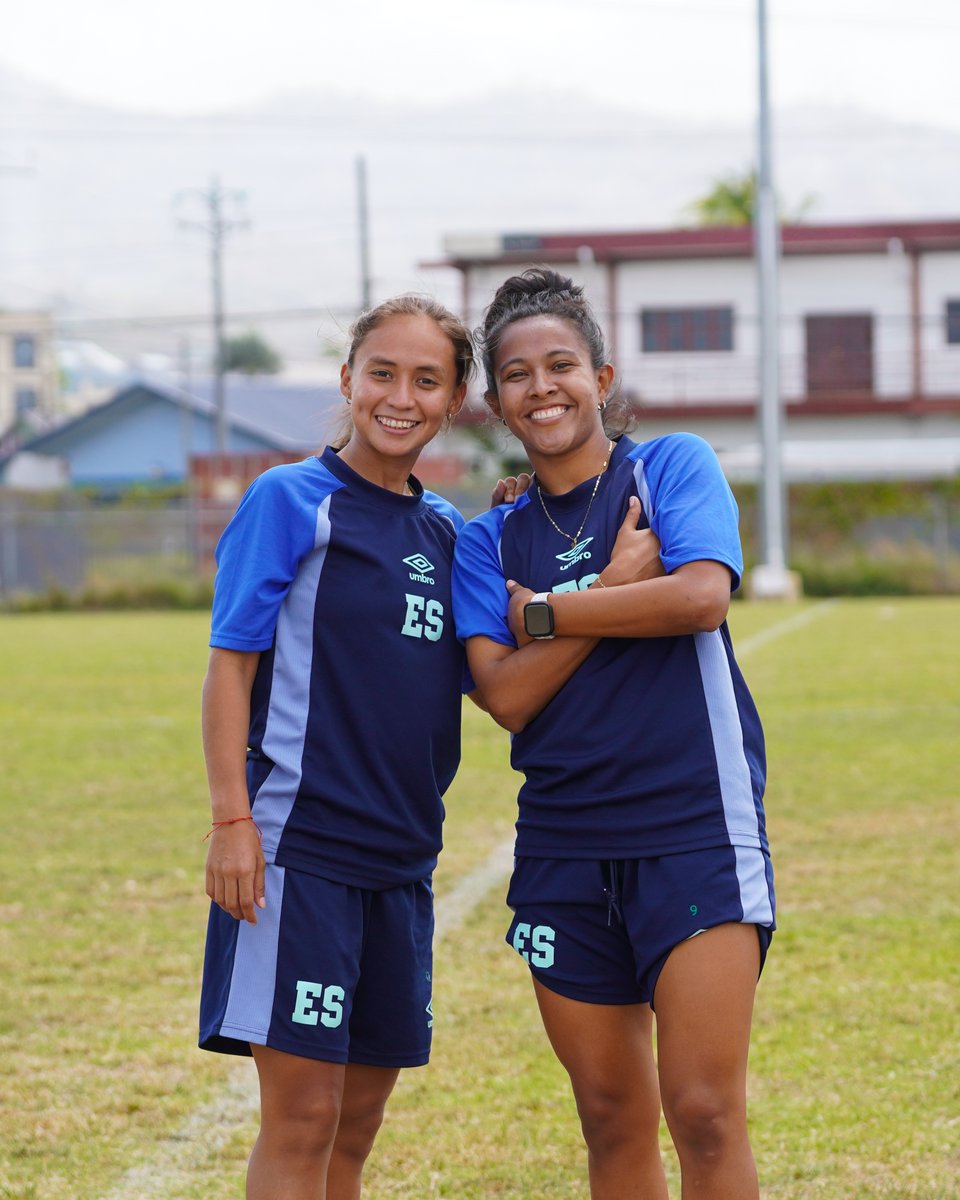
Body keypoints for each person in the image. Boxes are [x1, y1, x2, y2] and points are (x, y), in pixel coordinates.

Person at [452, 268, 775, 1200]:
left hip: (694, 832)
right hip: (565, 844)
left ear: (602, 373)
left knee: (706, 1111)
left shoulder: (669, 467)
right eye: (518, 374)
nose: (542, 387)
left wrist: (552, 613)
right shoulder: (488, 537)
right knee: (609, 1116)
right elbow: (503, 698)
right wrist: (611, 590)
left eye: (562, 364)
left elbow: (702, 596)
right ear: (498, 400)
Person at [198, 295, 481, 1200]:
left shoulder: (445, 529)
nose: (401, 397)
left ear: (454, 398)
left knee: (355, 1128)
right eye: (383, 373)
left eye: (426, 379)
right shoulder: (291, 500)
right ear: (349, 381)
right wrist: (232, 820)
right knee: (305, 1117)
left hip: (402, 862)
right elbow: (228, 672)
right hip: (299, 851)